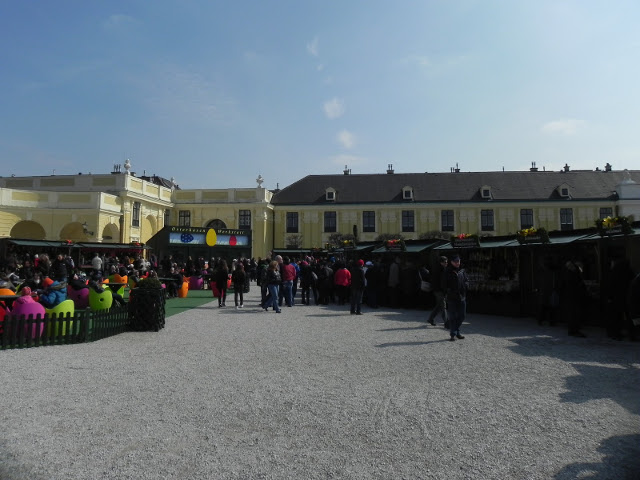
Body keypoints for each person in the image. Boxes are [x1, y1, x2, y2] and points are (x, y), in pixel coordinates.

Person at [444, 254, 468, 341]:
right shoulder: (447, 271)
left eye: (458, 261)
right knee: (453, 316)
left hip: (462, 297)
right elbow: (444, 284)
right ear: (451, 262)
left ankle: (454, 330)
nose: (457, 263)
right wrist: (448, 292)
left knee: (462, 316)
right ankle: (453, 334)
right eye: (455, 261)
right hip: (452, 297)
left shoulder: (462, 270)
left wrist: (465, 286)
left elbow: (466, 280)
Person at [562, 260, 588, 338]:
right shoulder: (573, 274)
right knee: (574, 314)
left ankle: (573, 330)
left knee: (573, 314)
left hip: (571, 296)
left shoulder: (568, 273)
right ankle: (574, 330)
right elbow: (577, 283)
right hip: (574, 296)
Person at [426, 256, 448, 327]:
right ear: (441, 262)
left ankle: (430, 319)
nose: (446, 263)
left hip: (437, 290)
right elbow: (442, 282)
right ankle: (447, 322)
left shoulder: (437, 268)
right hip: (439, 290)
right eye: (445, 262)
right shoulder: (441, 270)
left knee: (439, 306)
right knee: (443, 306)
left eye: (447, 262)